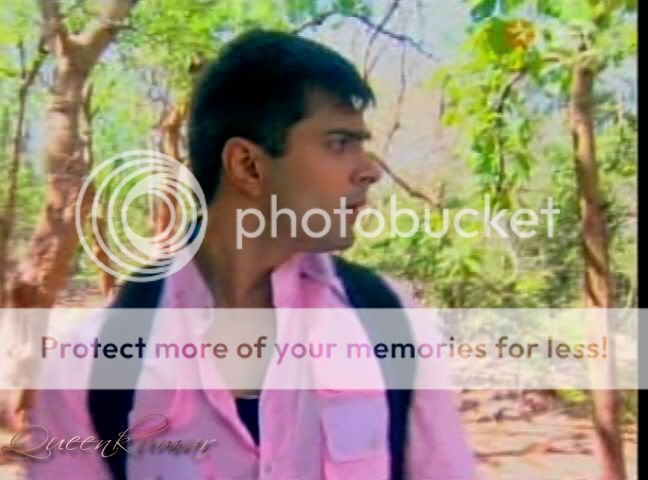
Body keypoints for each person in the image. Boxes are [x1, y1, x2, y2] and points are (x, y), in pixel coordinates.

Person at [25, 29, 476, 479]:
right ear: (248, 166)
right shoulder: (87, 366)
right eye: (339, 143)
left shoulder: (390, 319)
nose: (370, 170)